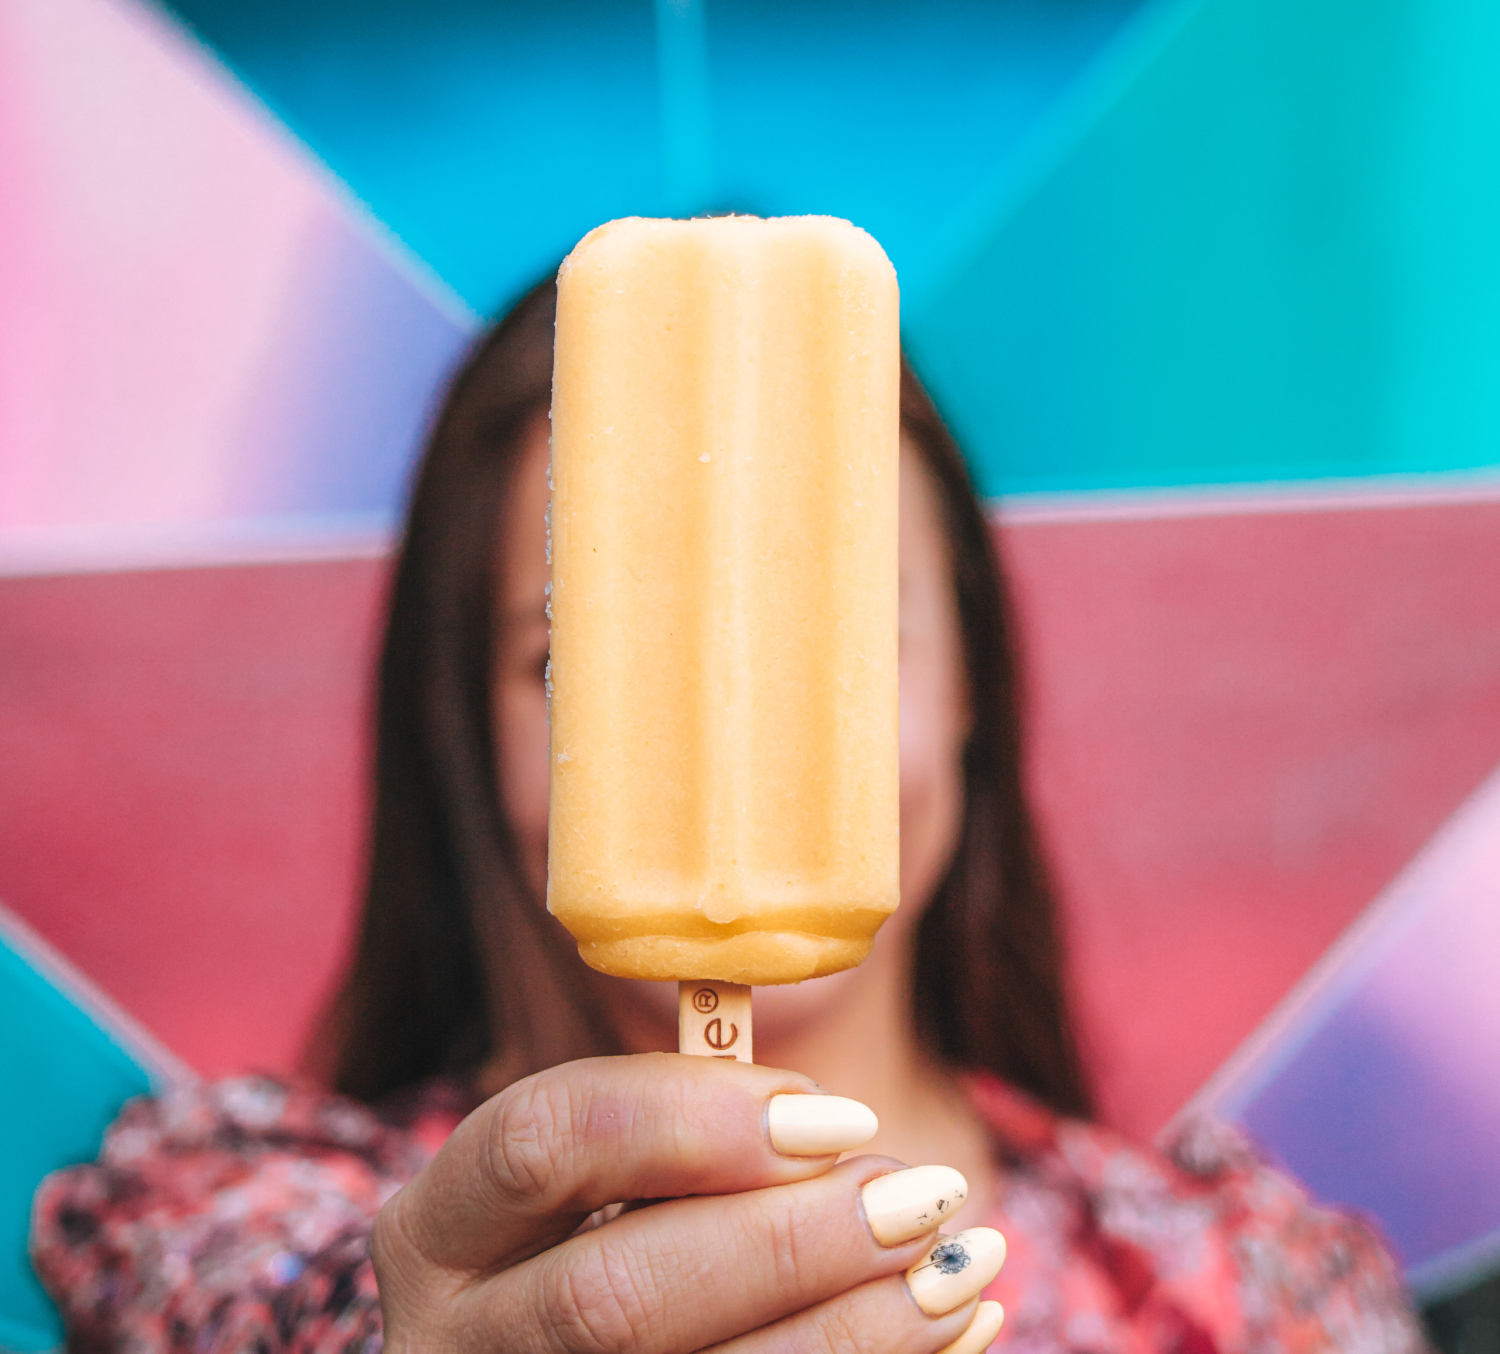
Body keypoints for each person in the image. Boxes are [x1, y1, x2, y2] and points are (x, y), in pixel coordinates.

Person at [31, 277, 1426, 1353]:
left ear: (971, 691)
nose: (728, 710)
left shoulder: (1243, 1287)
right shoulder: (244, 1212)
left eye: (834, 636)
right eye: (571, 656)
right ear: (471, 744)